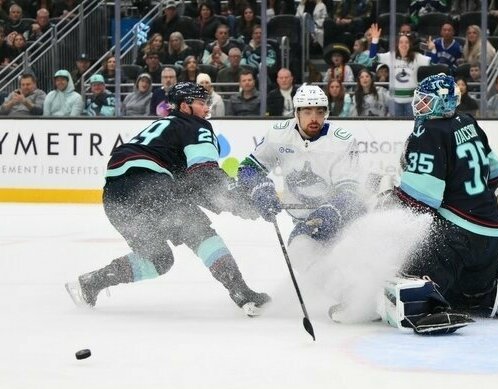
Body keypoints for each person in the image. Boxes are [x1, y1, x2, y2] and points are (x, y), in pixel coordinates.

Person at [376, 73, 498, 335]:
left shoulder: (428, 132)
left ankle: (426, 308)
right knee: (472, 293)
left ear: (442, 103)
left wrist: (389, 202)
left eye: (425, 102)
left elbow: (421, 200)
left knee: (407, 272)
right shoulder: (468, 122)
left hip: (455, 242)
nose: (419, 107)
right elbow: (496, 174)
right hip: (492, 238)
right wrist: (473, 200)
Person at [65, 82, 270, 316]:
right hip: (148, 185)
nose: (206, 109)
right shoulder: (196, 126)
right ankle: (242, 293)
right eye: (201, 103)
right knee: (200, 233)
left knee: (158, 259)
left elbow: (190, 185)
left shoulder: (163, 127)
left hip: (114, 196)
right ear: (185, 106)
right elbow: (205, 173)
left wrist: (232, 203)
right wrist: (239, 202)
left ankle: (91, 283)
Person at [236, 83, 364, 278]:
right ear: (296, 113)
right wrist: (260, 189)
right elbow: (248, 168)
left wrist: (332, 210)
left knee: (354, 257)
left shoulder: (342, 141)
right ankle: (346, 296)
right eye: (307, 111)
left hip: (344, 217)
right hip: (306, 222)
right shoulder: (278, 134)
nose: (314, 118)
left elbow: (350, 191)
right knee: (299, 251)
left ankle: (360, 292)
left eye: (320, 112)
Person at [368, 23, 430, 117]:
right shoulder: (390, 56)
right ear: (397, 44)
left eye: (406, 42)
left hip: (412, 100)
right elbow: (372, 58)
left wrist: (432, 50)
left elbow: (432, 62)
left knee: (411, 128)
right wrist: (375, 40)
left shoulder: (416, 57)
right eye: (401, 42)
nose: (404, 44)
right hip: (395, 101)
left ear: (410, 44)